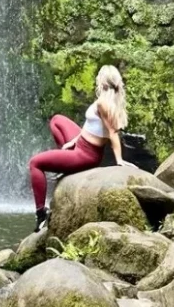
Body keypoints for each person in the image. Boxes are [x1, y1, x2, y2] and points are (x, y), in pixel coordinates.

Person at [28, 65, 134, 231]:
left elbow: (113, 133)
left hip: (85, 154)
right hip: (81, 144)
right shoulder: (106, 100)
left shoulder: (103, 104)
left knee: (35, 163)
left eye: (98, 76)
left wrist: (119, 160)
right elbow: (91, 126)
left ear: (103, 81)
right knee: (57, 120)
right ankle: (65, 161)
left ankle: (40, 212)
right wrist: (74, 140)